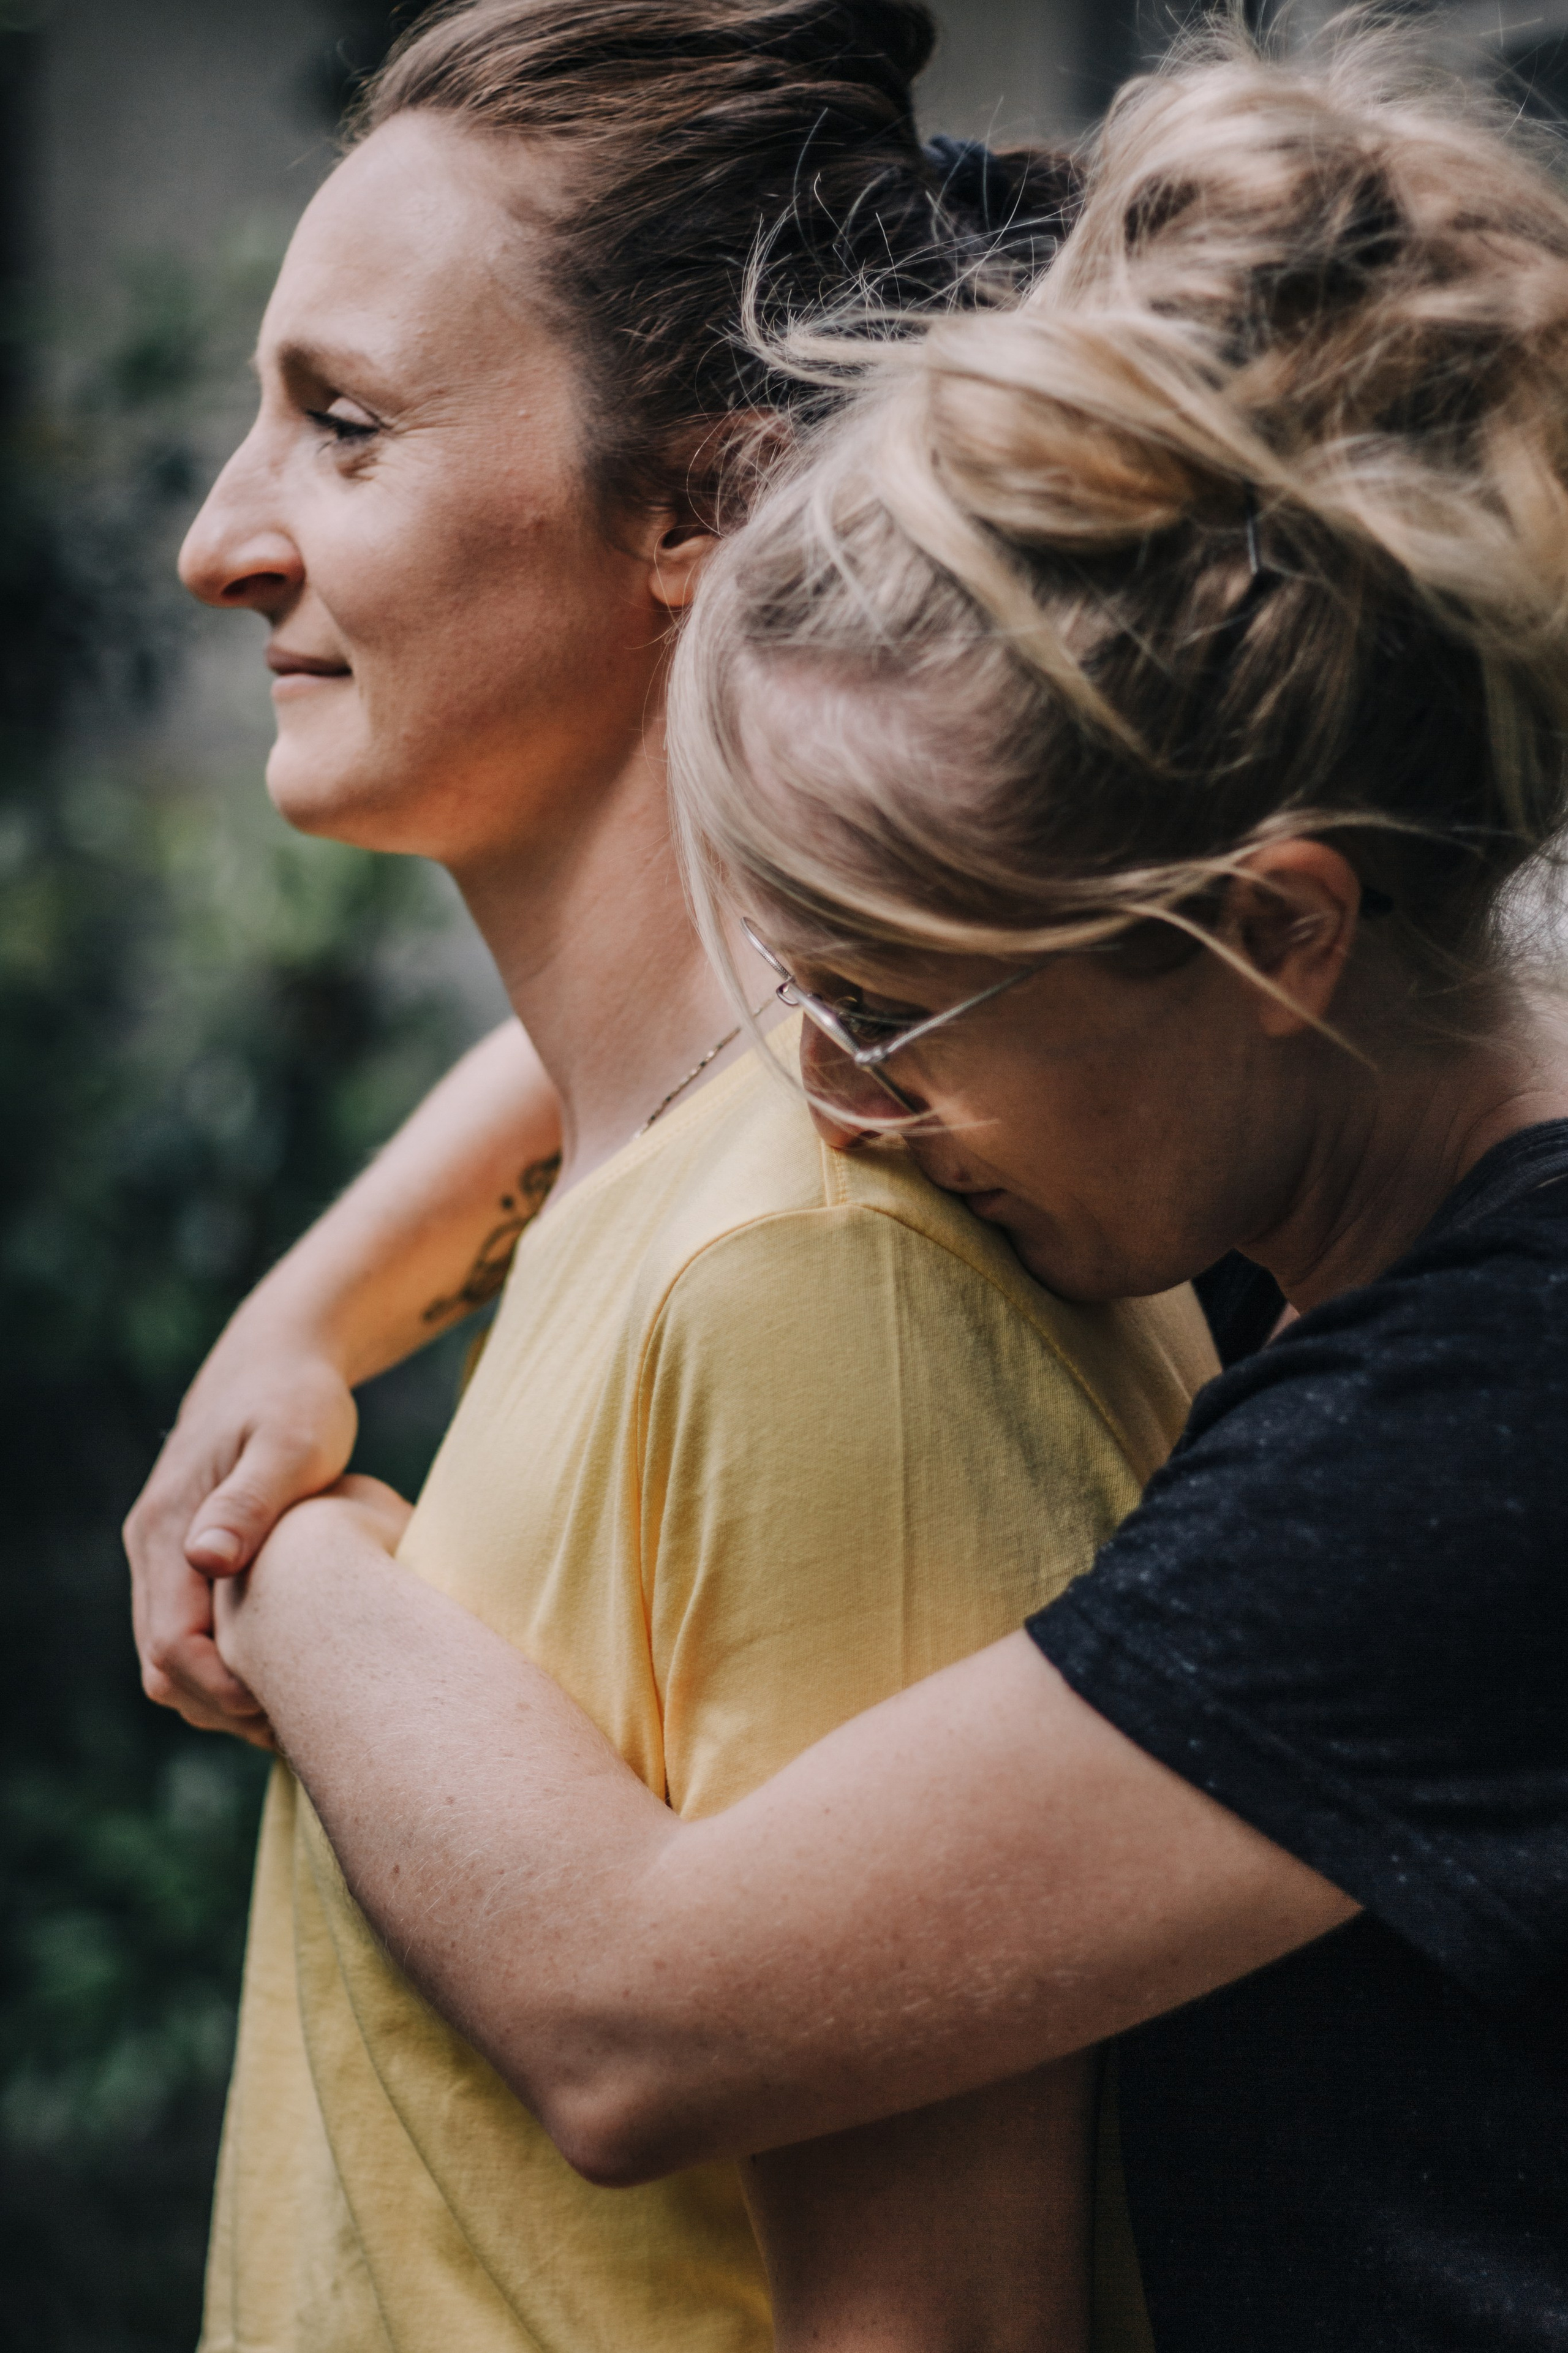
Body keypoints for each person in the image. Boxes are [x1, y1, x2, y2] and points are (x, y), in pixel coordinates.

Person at [207, 22, 1568, 2352]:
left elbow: (642, 2013)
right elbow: (874, 988)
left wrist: (288, 1556)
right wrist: (323, 1305)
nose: (829, 1092)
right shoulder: (1349, 1094)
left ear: (1270, 934)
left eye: (881, 1001)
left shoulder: (1464, 1442)